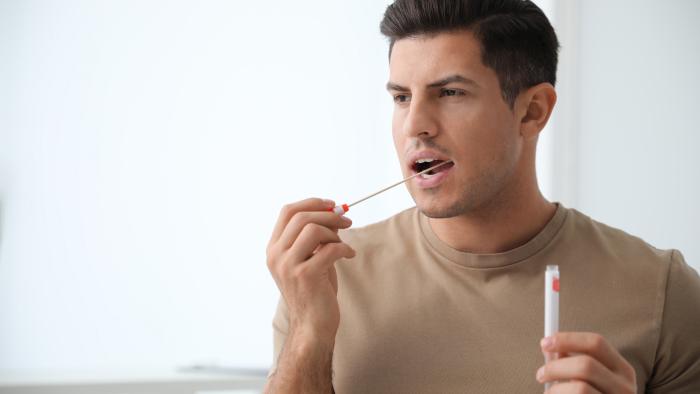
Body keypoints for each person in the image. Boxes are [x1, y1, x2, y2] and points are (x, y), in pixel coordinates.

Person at [263, 0, 700, 392]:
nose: (415, 124)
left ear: (532, 112)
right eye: (401, 96)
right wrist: (307, 334)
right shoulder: (325, 279)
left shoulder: (664, 292)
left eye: (450, 93)